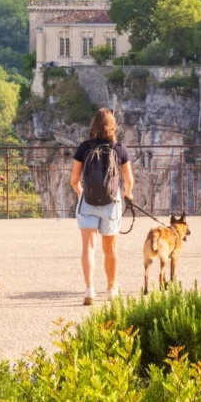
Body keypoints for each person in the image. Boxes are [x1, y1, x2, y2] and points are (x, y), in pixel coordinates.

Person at [70, 108, 134, 306]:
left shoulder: (84, 147)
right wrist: (127, 194)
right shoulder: (119, 148)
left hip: (87, 202)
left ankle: (89, 289)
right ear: (113, 125)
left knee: (88, 248)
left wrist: (81, 192)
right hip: (111, 202)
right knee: (110, 250)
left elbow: (73, 180)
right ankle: (111, 288)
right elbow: (129, 180)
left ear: (94, 125)